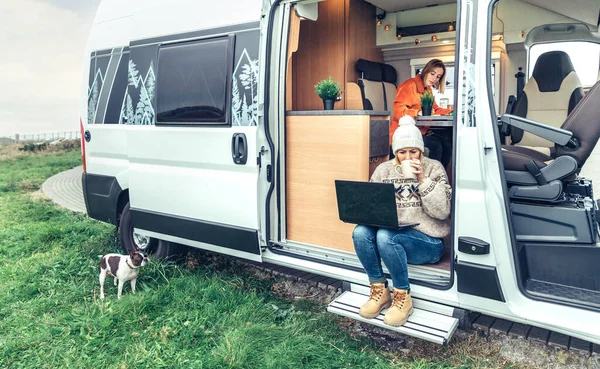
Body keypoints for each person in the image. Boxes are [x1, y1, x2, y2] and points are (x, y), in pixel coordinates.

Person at [352, 115, 451, 327]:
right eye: (402, 152)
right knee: (361, 232)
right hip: (391, 236)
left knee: (387, 237)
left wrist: (423, 180)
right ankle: (379, 290)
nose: (407, 157)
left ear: (421, 151)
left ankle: (403, 297)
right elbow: (372, 208)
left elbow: (443, 212)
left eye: (413, 151)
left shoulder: (434, 168)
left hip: (429, 242)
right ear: (395, 152)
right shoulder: (383, 170)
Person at [390, 59, 453, 167]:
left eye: (438, 76)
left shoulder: (427, 89)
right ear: (426, 71)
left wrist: (454, 111)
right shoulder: (409, 86)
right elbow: (398, 111)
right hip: (404, 133)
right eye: (432, 74)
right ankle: (430, 175)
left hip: (420, 131)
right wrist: (417, 112)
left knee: (447, 141)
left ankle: (440, 175)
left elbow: (435, 109)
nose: (434, 78)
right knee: (435, 145)